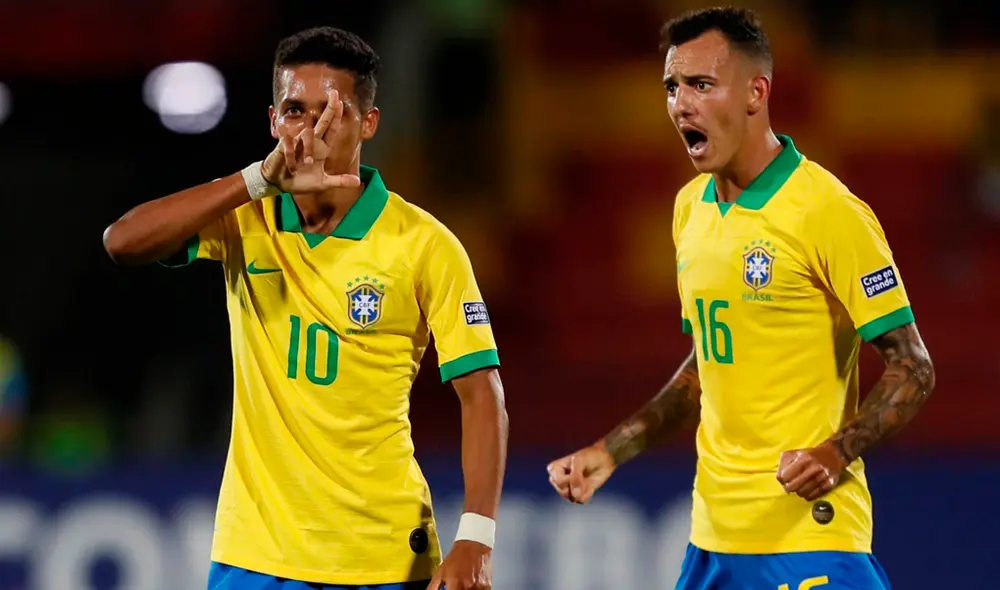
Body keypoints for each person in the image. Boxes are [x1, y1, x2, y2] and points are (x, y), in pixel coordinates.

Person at [103, 26, 507, 590]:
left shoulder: (424, 243)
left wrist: (477, 537)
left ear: (367, 123)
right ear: (273, 121)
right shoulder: (246, 217)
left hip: (381, 554)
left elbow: (480, 393)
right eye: (295, 111)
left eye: (331, 112)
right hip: (256, 555)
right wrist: (256, 179)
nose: (310, 131)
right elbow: (122, 241)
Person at [546, 7, 934, 590]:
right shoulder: (688, 210)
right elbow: (708, 360)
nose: (681, 103)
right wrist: (611, 451)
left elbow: (913, 368)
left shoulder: (829, 212)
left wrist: (835, 451)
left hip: (809, 536)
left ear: (757, 92)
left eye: (702, 84)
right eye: (672, 87)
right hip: (714, 541)